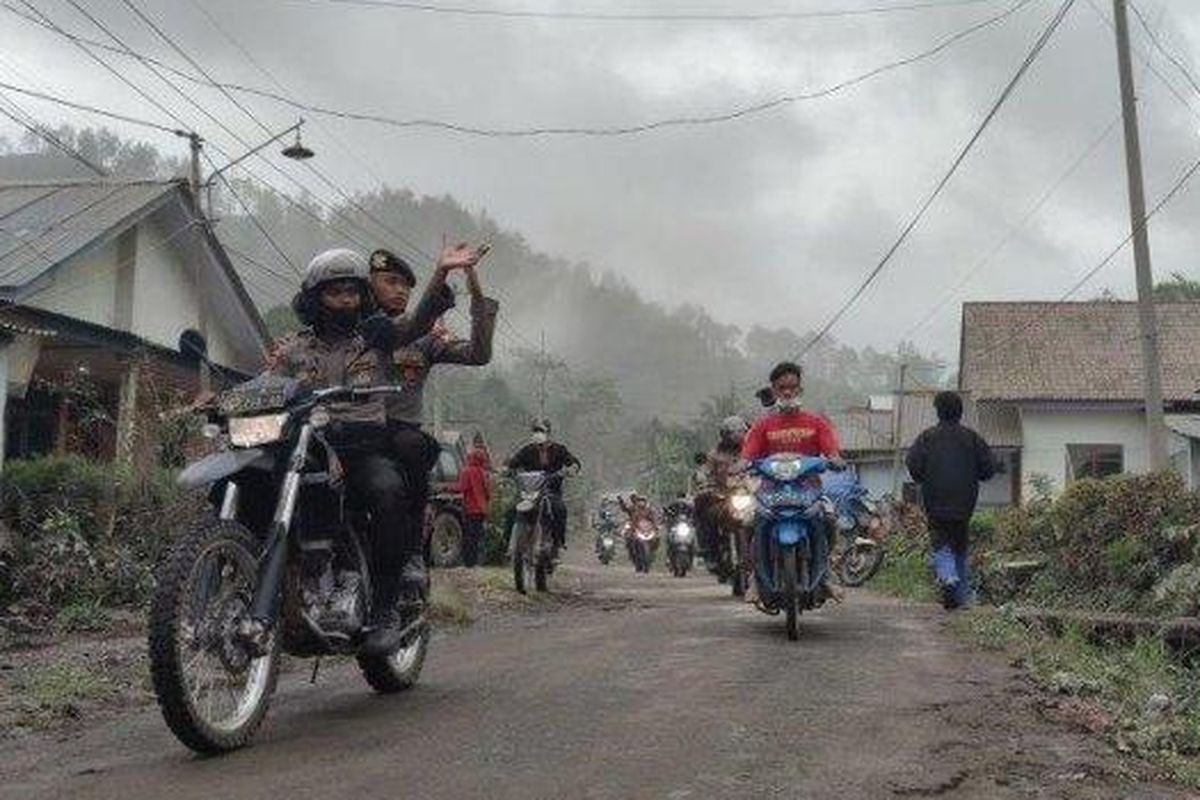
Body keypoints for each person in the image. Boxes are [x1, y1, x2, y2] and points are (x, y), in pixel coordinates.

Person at [264, 247, 455, 655]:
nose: (346, 300)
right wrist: (219, 398)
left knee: (388, 492)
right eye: (335, 293)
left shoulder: (377, 338)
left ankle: (385, 609)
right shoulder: (294, 349)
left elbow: (416, 323)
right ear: (316, 298)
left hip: (363, 448)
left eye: (353, 292)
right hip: (312, 447)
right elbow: (265, 385)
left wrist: (440, 272)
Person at [368, 243, 497, 575]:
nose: (399, 291)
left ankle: (411, 552)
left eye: (406, 286)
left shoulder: (423, 339)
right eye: (390, 281)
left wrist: (474, 289)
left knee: (414, 457)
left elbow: (478, 354)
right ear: (369, 284)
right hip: (353, 432)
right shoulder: (355, 329)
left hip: (401, 435)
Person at [741, 362, 843, 605]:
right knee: (748, 522)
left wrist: (836, 459)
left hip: (808, 490)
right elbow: (748, 454)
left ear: (800, 390)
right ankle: (755, 577)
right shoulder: (763, 424)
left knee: (829, 519)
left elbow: (832, 451)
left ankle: (827, 573)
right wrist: (741, 463)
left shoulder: (816, 422)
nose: (787, 392)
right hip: (770, 492)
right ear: (774, 390)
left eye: (792, 387)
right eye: (781, 388)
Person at [905, 391, 996, 610]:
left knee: (940, 542)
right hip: (964, 503)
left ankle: (948, 577)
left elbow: (913, 465)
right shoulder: (972, 438)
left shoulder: (927, 437)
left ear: (938, 411)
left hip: (935, 501)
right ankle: (960, 596)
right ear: (960, 411)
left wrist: (924, 476)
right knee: (960, 545)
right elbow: (988, 469)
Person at [506, 420, 581, 550]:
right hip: (529, 492)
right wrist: (506, 470)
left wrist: (572, 469)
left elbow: (573, 462)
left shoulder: (559, 449)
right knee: (511, 511)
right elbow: (512, 463)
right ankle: (506, 544)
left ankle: (558, 542)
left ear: (548, 433)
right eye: (536, 431)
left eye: (541, 431)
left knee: (560, 510)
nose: (538, 434)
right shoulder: (527, 450)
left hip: (551, 491)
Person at [457, 446, 492, 568]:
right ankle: (477, 561)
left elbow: (461, 488)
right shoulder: (484, 473)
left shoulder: (466, 471)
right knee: (478, 536)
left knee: (468, 536)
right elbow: (488, 493)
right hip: (481, 510)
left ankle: (468, 563)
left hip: (469, 509)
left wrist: (445, 488)